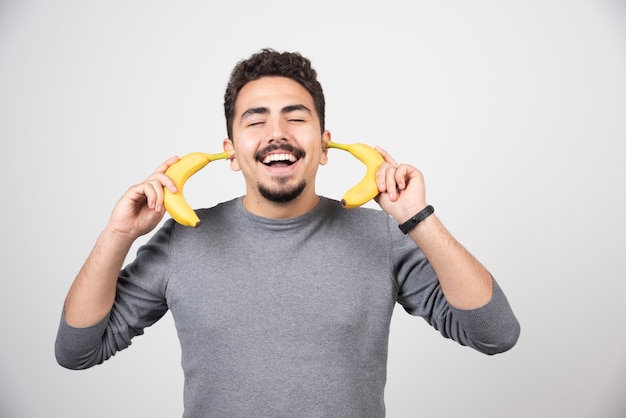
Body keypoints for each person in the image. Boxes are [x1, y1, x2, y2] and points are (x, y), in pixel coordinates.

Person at [55, 48, 520, 417]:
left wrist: (418, 217)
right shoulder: (183, 240)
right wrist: (118, 234)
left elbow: (496, 333)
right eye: (255, 120)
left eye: (296, 118)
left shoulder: (381, 236)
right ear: (232, 151)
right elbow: (77, 352)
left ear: (323, 146)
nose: (276, 132)